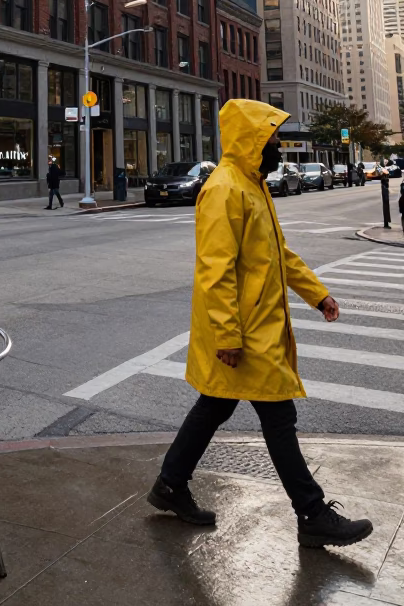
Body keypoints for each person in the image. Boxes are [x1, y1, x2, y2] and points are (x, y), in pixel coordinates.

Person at [147, 98, 373, 548]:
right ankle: (311, 512)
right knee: (278, 416)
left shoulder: (253, 186)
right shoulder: (225, 188)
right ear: (250, 141)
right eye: (270, 139)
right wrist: (228, 334)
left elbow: (279, 253)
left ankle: (170, 485)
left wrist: (317, 293)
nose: (276, 147)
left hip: (256, 325)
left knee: (216, 405)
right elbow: (216, 269)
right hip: (244, 331)